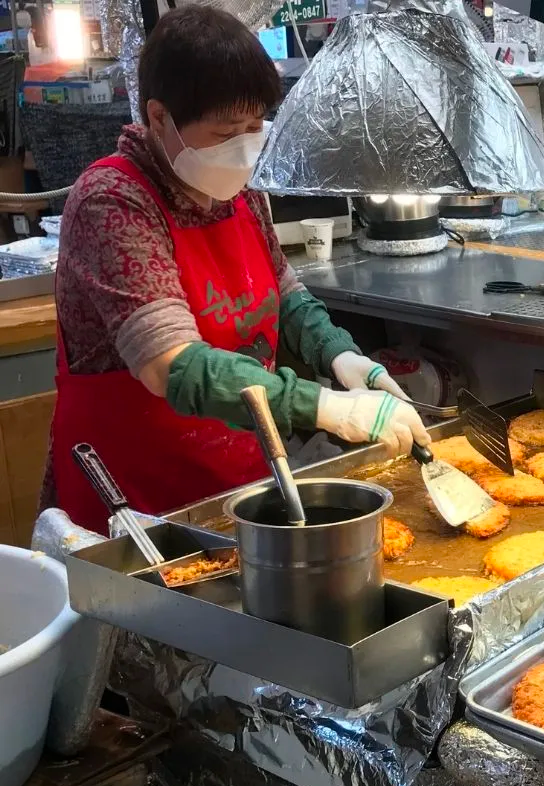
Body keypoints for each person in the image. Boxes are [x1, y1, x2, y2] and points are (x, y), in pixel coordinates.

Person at [43, 6, 430, 533]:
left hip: (240, 484)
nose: (244, 147)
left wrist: (339, 354)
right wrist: (327, 406)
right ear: (159, 118)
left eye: (254, 127)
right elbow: (169, 365)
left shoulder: (237, 191)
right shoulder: (113, 201)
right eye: (227, 132)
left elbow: (284, 292)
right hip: (136, 505)